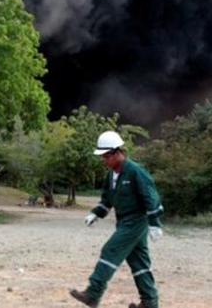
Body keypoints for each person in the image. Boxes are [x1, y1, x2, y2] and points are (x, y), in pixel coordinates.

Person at [70, 130, 164, 308]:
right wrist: (95, 213)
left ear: (116, 152)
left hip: (136, 221)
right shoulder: (111, 176)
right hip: (123, 221)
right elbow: (107, 200)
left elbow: (150, 196)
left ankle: (93, 293)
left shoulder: (135, 171)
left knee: (110, 251)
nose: (103, 160)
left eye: (105, 156)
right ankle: (150, 302)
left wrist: (154, 223)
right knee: (139, 262)